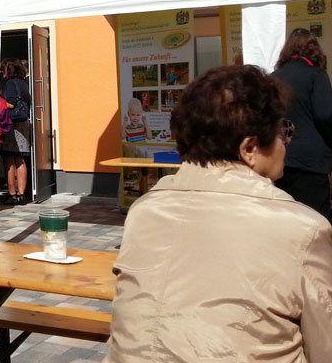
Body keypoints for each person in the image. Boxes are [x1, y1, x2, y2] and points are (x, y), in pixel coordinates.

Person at [105, 65, 332, 362]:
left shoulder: (144, 210)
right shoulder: (303, 228)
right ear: (250, 148)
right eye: (282, 131)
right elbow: (325, 346)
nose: (286, 143)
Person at [271, 28, 332, 222]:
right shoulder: (316, 75)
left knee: (287, 218)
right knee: (316, 219)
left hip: (280, 159)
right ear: (314, 50)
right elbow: (325, 116)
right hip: (311, 162)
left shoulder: (273, 77)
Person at [0, 58, 31, 205]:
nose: (2, 72)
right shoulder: (24, 83)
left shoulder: (10, 83)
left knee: (8, 158)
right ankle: (22, 194)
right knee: (20, 158)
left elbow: (10, 104)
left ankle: (12, 194)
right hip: (23, 123)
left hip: (11, 123)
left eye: (3, 69)